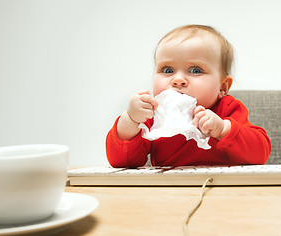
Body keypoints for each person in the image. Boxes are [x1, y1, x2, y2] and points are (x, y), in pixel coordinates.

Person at [106, 24, 271, 168]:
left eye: (195, 70)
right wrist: (130, 119)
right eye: (167, 70)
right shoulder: (154, 115)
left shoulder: (228, 108)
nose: (178, 80)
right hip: (171, 191)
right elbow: (122, 162)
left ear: (223, 87)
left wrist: (222, 129)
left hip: (223, 189)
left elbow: (260, 153)